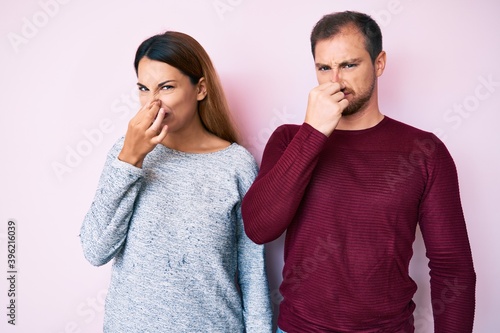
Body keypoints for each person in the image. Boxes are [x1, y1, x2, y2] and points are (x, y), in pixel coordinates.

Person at [241, 11, 476, 333]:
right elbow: (259, 228)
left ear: (378, 63)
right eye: (324, 68)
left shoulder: (425, 151)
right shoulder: (290, 139)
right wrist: (314, 132)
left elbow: (453, 267)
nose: (335, 81)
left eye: (349, 65)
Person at [80, 31, 273, 332]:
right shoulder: (126, 153)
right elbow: (95, 250)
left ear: (201, 89)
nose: (153, 103)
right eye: (144, 89)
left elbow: (252, 272)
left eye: (166, 87)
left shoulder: (236, 165)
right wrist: (130, 159)